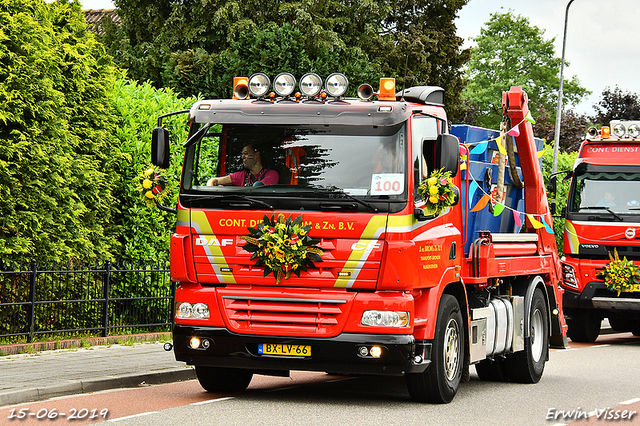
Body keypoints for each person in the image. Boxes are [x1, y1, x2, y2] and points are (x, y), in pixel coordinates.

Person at [207, 143, 279, 187]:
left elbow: (259, 192)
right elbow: (213, 180)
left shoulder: (272, 174)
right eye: (242, 154)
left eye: (246, 154)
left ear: (257, 155)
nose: (242, 157)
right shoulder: (242, 175)